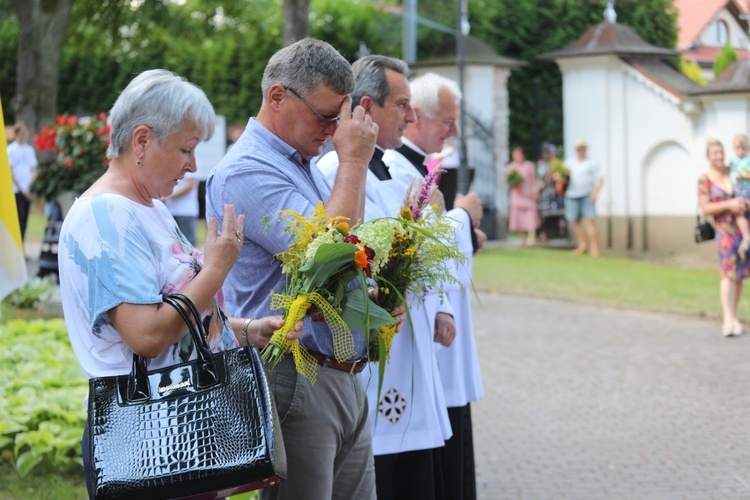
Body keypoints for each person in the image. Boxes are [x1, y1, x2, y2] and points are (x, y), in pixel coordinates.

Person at [56, 69, 302, 498]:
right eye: (186, 149)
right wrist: (215, 268)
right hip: (147, 435)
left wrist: (244, 330)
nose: (192, 166)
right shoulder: (106, 217)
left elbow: (183, 316)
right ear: (142, 141)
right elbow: (146, 335)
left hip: (178, 428)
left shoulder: (148, 205)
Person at [206, 39, 402, 500]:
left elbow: (342, 264)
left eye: (341, 116)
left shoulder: (299, 161)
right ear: (278, 97)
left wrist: (371, 304)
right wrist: (354, 160)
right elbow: (328, 252)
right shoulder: (246, 171)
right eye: (325, 116)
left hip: (339, 375)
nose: (335, 129)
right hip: (296, 377)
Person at [316, 55, 455, 500]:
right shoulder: (332, 174)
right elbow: (352, 253)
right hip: (371, 344)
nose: (411, 117)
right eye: (402, 105)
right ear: (368, 107)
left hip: (409, 335)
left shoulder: (398, 169)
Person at [385, 71, 486, 500]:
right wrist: (463, 217)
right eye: (446, 120)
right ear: (416, 116)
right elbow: (408, 242)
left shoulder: (415, 166)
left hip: (434, 319)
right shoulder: (394, 168)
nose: (453, 131)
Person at [698, 138, 750, 337]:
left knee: (739, 276)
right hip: (724, 232)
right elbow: (705, 207)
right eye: (715, 153)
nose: (719, 156)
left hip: (743, 230)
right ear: (708, 156)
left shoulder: (734, 171)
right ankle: (727, 319)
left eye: (721, 152)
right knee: (728, 274)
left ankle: (734, 316)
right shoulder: (705, 178)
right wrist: (729, 205)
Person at [564, 138, 604, 257]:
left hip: (587, 194)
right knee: (577, 221)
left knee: (591, 220)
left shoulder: (592, 162)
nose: (580, 151)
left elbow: (600, 179)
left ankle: (595, 248)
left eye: (582, 148)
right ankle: (582, 246)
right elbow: (562, 176)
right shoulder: (569, 162)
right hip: (572, 194)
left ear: (586, 149)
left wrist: (595, 193)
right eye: (578, 149)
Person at [8, 122, 38, 244]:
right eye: (21, 133)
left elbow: (33, 169)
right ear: (16, 134)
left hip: (28, 190)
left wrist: (32, 187)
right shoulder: (10, 150)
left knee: (25, 220)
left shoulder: (29, 150)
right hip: (17, 190)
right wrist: (22, 190)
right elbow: (11, 172)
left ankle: (22, 246)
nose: (24, 135)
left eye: (25, 133)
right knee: (18, 219)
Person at [507, 145, 540, 247]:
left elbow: (534, 179)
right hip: (517, 195)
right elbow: (509, 181)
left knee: (531, 215)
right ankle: (521, 238)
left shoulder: (529, 165)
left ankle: (532, 238)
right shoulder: (511, 167)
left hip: (528, 194)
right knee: (519, 217)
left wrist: (536, 191)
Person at [536, 142, 566, 242]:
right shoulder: (539, 165)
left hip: (552, 193)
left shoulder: (554, 165)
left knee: (552, 214)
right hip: (542, 193)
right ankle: (543, 234)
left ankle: (556, 233)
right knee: (542, 215)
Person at [729, 133, 750, 259]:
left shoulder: (748, 160)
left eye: (743, 149)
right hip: (737, 189)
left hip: (746, 189)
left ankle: (747, 238)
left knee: (742, 209)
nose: (741, 151)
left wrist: (743, 176)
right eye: (738, 149)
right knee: (739, 212)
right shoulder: (733, 161)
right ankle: (746, 238)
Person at [164, 170, 199, 245]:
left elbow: (189, 185)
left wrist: (167, 196)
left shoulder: (191, 161)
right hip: (170, 210)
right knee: (172, 244)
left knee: (189, 244)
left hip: (185, 211)